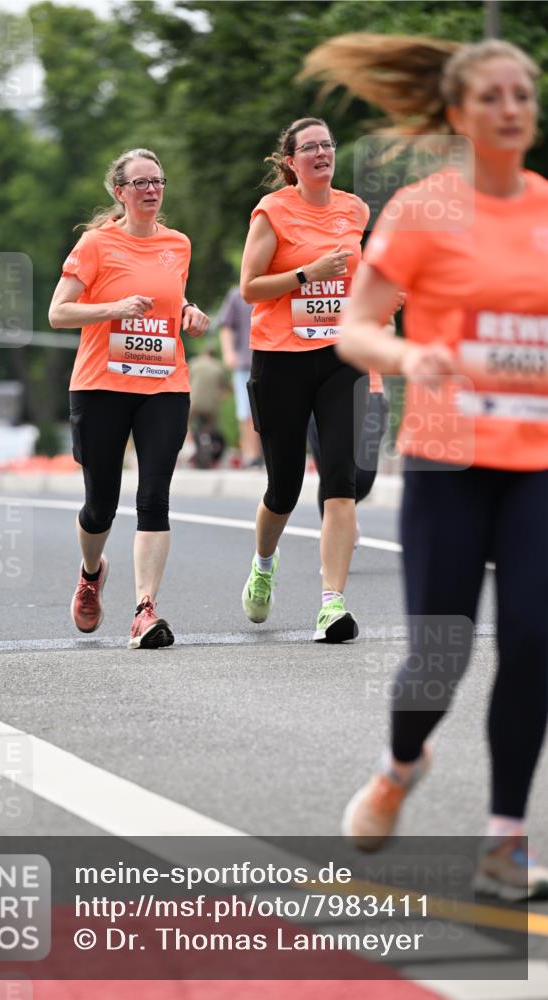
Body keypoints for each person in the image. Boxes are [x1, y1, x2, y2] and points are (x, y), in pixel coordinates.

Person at [305, 34, 548, 898]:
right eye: (491, 95)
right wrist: (406, 361)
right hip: (447, 460)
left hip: (536, 466)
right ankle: (401, 764)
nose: (511, 107)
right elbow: (355, 326)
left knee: (532, 640)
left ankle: (503, 843)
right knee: (438, 655)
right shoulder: (423, 209)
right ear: (456, 113)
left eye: (522, 92)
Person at [48, 148, 209, 649]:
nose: (152, 190)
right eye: (140, 182)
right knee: (101, 505)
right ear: (119, 192)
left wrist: (190, 312)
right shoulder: (96, 244)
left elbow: (169, 296)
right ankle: (91, 573)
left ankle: (144, 611)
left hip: (163, 383)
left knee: (154, 497)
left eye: (158, 181)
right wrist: (114, 307)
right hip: (100, 386)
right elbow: (58, 313)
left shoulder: (177, 244)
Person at [239, 116, 373, 643]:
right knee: (285, 486)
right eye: (309, 148)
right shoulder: (273, 211)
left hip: (342, 357)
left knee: (340, 481)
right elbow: (250, 287)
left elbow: (361, 276)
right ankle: (263, 565)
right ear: (290, 162)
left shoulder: (355, 208)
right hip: (281, 359)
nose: (322, 153)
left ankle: (331, 605)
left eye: (328, 145)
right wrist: (306, 274)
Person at [307, 370, 389, 536]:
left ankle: (343, 516)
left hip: (368, 387)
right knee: (332, 477)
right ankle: (333, 546)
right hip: (320, 389)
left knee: (363, 477)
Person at [218, 285, 262, 467]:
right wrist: (228, 352)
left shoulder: (281, 285)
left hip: (272, 360)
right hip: (244, 362)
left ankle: (265, 454)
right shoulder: (237, 294)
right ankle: (251, 455)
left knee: (269, 412)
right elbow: (226, 325)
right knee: (246, 411)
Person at [188, 346, 228, 469]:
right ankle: (208, 443)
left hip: (194, 404)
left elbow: (186, 382)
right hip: (211, 406)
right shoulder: (218, 366)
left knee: (186, 424)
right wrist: (218, 399)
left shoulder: (194, 363)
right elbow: (225, 391)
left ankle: (189, 447)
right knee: (209, 429)